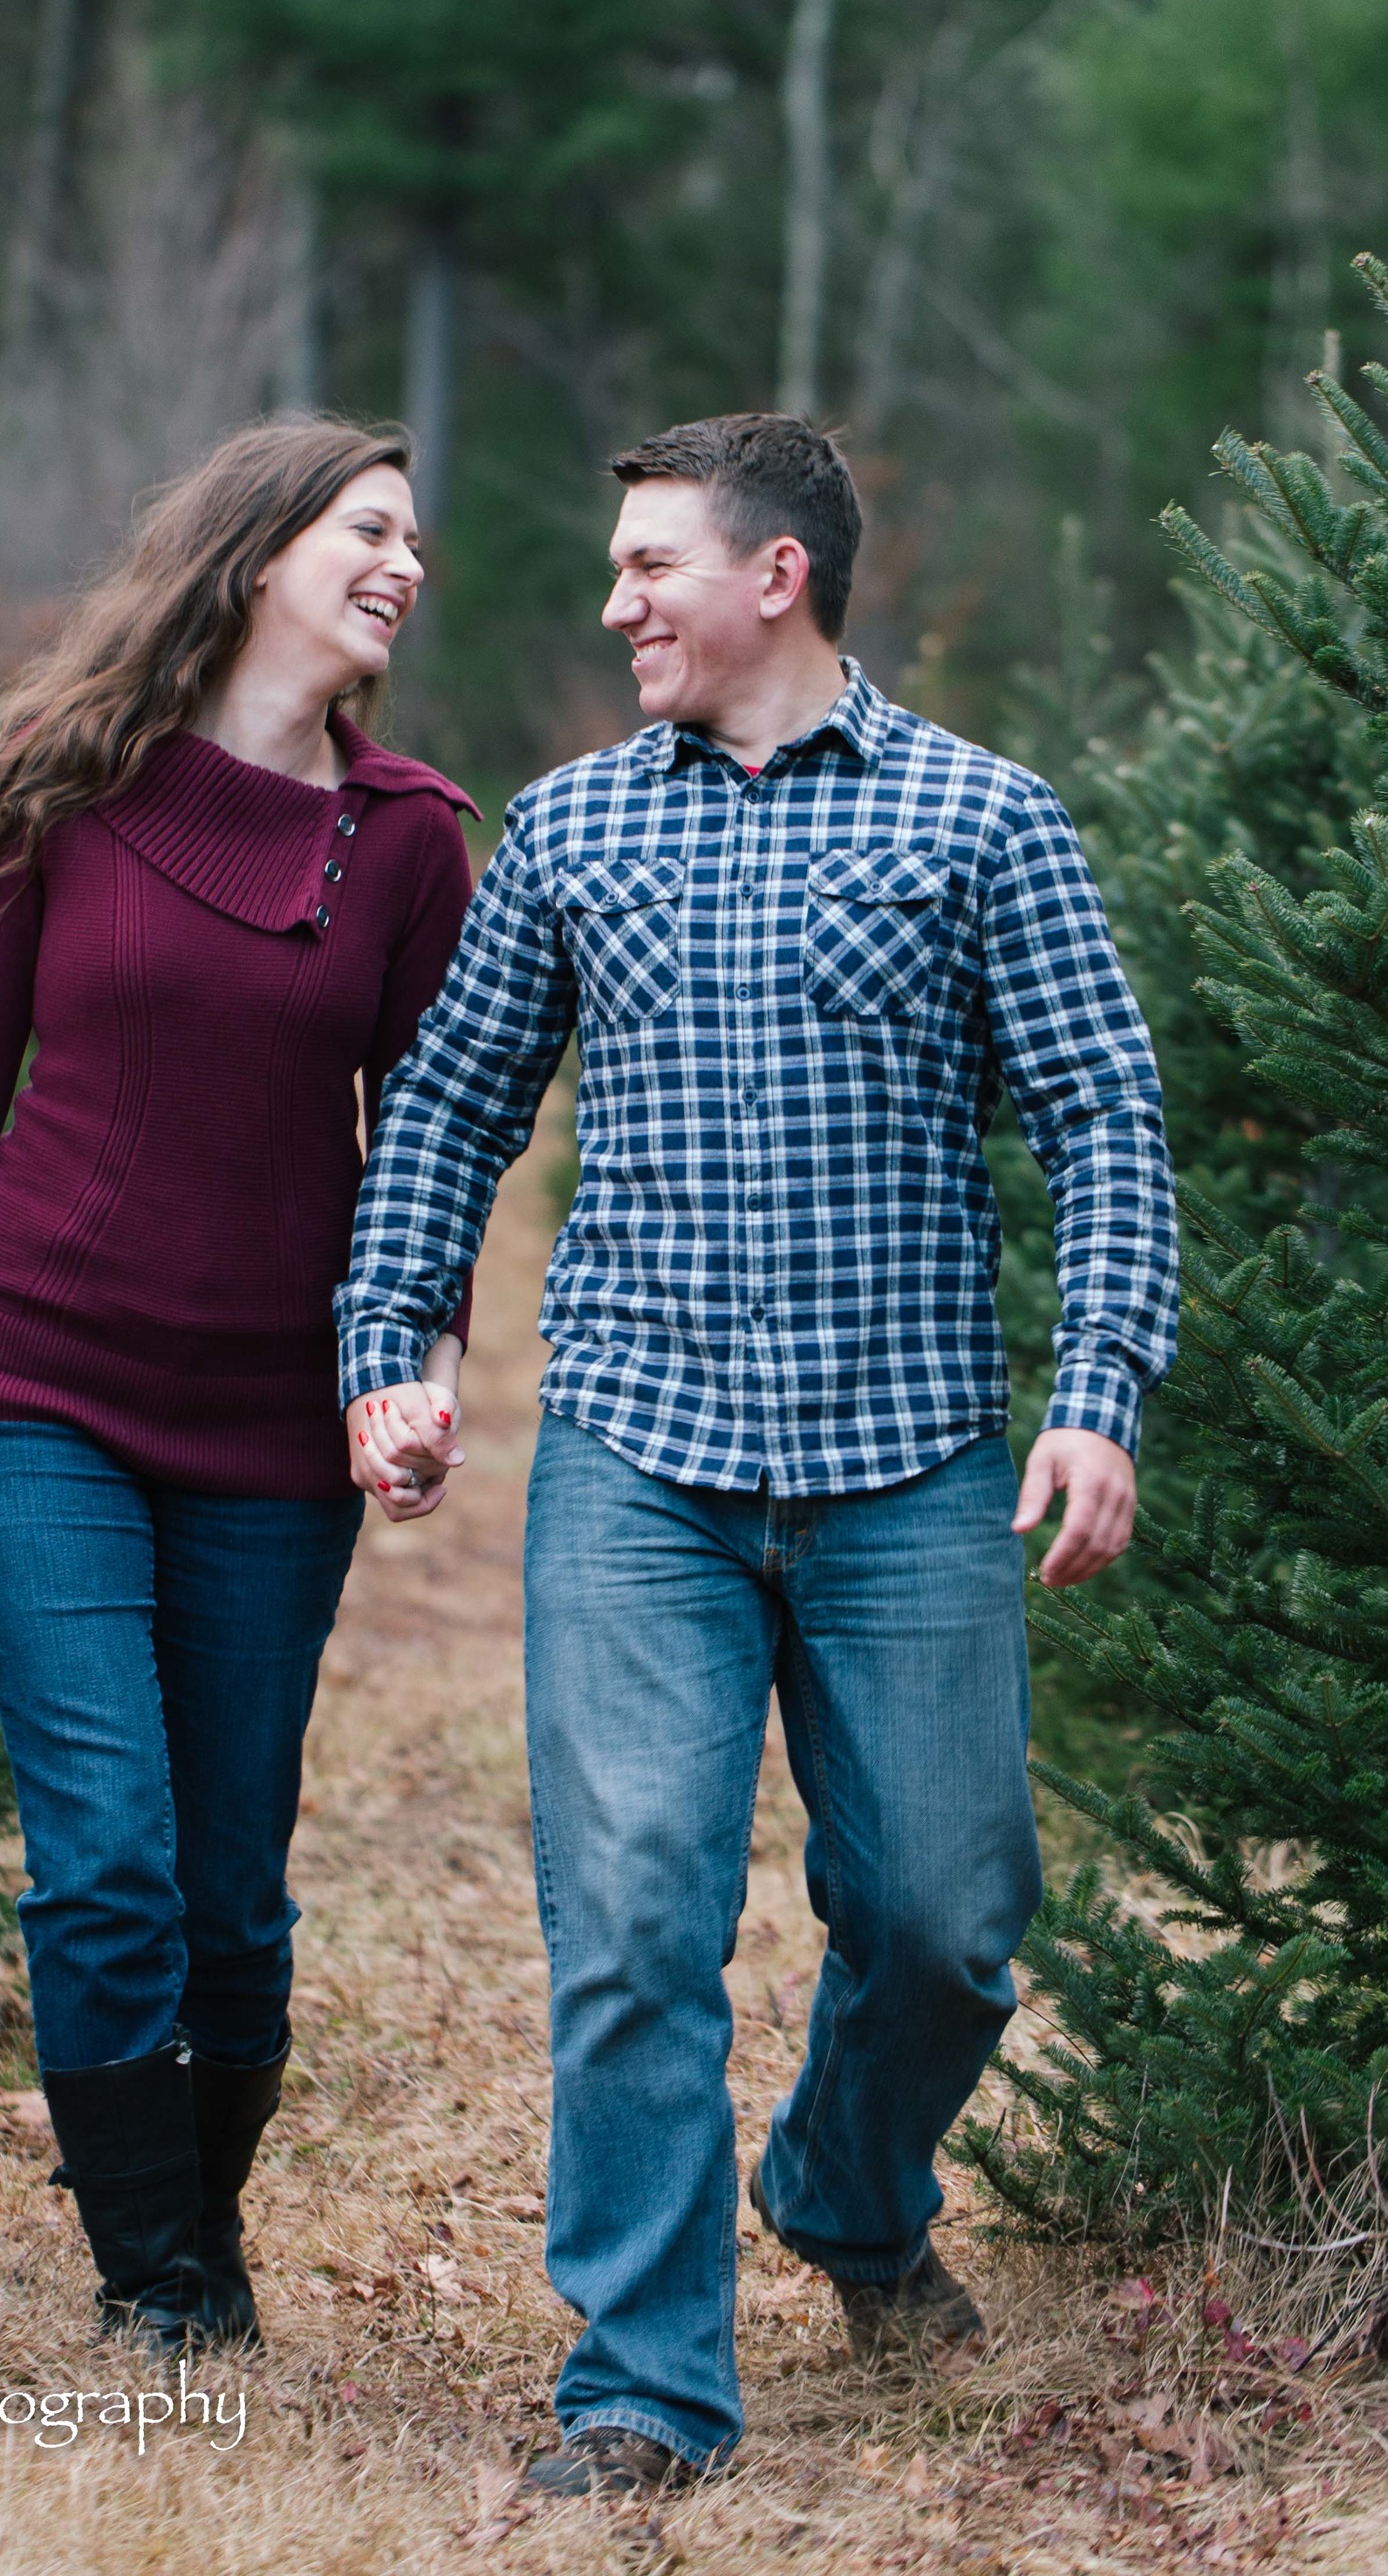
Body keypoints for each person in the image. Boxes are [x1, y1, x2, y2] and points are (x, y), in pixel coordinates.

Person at [335, 413, 1178, 2497]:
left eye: (648, 566)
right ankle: (640, 2390)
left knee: (946, 1921)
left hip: (904, 1470)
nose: (611, 602)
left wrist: (1094, 1393)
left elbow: (1101, 1121)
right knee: (633, 1920)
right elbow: (447, 1109)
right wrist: (389, 1348)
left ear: (773, 576)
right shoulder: (569, 834)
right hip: (639, 1464)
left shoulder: (983, 824)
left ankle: (845, 2188)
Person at [0, 420, 475, 2357]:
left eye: (418, 537)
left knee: (230, 1898)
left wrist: (417, 1372)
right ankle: (156, 2292)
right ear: (258, 546)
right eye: (370, 527)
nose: (405, 562)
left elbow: (433, 1150)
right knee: (102, 1850)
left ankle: (199, 2226)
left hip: (273, 1426)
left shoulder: (413, 839)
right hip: (31, 1386)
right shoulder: (67, 782)